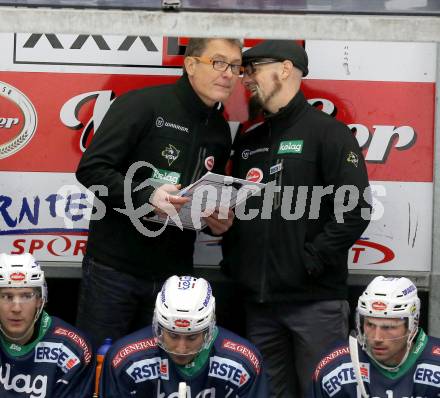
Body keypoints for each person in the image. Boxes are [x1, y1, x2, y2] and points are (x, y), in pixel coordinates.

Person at [221, 40, 371, 397]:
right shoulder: (248, 140)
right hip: (260, 305)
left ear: (285, 69)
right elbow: (243, 210)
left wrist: (311, 261)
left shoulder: (327, 132)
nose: (246, 79)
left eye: (252, 69)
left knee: (324, 392)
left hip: (314, 303)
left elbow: (356, 209)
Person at [75, 38, 242, 348]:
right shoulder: (142, 104)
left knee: (156, 374)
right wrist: (147, 195)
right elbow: (92, 170)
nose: (228, 73)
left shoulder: (219, 128)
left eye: (235, 66)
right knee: (98, 368)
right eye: (218, 62)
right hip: (115, 270)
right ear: (190, 64)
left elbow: (194, 197)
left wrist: (211, 218)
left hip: (172, 279)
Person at [99, 275, 269, 397]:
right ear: (159, 327)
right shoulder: (125, 360)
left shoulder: (244, 363)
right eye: (173, 335)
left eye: (192, 337)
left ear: (208, 330)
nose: (181, 348)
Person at [309, 276, 440, 398]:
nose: (377, 338)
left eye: (388, 327)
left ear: (413, 325)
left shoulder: (436, 364)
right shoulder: (335, 367)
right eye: (370, 325)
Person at [0, 253, 95, 397]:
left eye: (26, 296)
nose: (16, 308)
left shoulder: (71, 348)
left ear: (40, 300)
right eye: (6, 296)